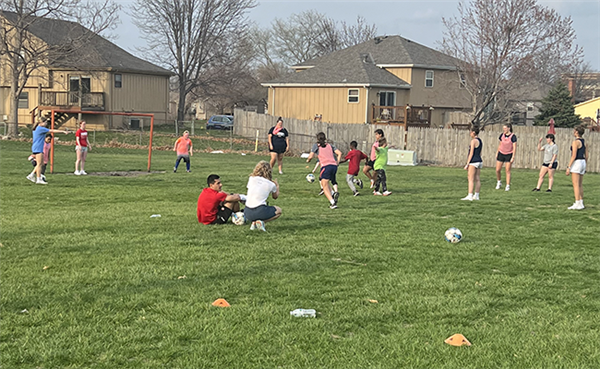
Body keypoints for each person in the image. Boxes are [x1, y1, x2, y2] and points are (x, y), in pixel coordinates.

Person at [27, 117, 69, 184]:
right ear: (41, 122)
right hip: (38, 147)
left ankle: (32, 175)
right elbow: (52, 131)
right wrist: (63, 131)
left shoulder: (37, 128)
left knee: (40, 163)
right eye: (45, 122)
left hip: (37, 147)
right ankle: (38, 179)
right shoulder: (40, 128)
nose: (46, 123)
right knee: (40, 164)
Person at [306, 132, 342, 209]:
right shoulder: (330, 145)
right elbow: (339, 153)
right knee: (325, 181)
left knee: (324, 186)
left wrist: (308, 160)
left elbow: (311, 156)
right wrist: (337, 162)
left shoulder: (316, 146)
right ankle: (333, 193)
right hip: (334, 166)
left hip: (326, 166)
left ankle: (333, 203)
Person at [244, 161, 282, 231]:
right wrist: (277, 186)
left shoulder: (251, 179)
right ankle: (260, 222)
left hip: (247, 211)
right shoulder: (271, 184)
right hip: (260, 210)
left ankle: (253, 222)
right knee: (278, 211)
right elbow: (275, 196)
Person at [566, 126, 588, 210]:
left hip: (577, 162)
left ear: (576, 132)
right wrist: (585, 164)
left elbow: (574, 155)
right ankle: (581, 202)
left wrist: (569, 166)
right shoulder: (585, 142)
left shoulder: (575, 142)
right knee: (580, 184)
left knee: (575, 184)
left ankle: (577, 202)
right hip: (583, 162)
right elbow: (587, 155)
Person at [462, 126, 482, 201]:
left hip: (473, 161)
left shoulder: (473, 141)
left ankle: (470, 195)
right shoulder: (480, 140)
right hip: (479, 161)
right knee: (477, 178)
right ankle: (476, 195)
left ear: (473, 132)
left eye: (470, 132)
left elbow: (471, 153)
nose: (470, 134)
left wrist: (467, 164)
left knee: (470, 178)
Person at [495, 123, 517, 191]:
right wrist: (497, 152)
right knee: (498, 170)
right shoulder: (502, 135)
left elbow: (514, 147)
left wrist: (513, 156)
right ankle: (499, 182)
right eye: (503, 128)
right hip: (501, 153)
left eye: (505, 128)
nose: (504, 130)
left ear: (508, 128)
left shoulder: (513, 136)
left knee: (507, 170)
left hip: (509, 154)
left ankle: (507, 185)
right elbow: (500, 144)